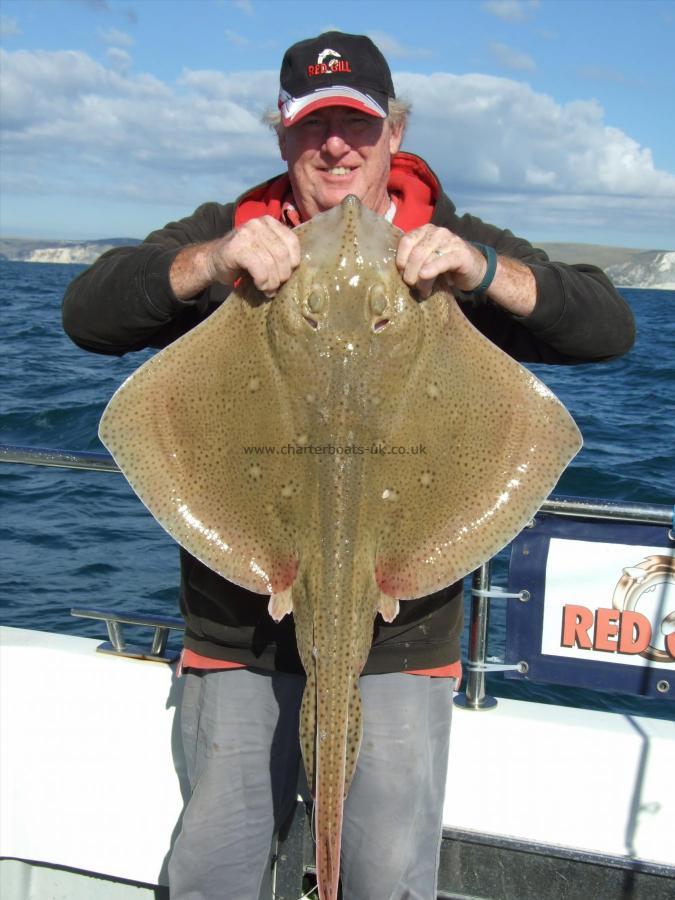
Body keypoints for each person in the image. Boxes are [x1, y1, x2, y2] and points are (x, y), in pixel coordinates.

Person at [62, 31, 635, 900]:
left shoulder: (457, 237)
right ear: (282, 136)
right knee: (213, 869)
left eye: (357, 125)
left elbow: (607, 327)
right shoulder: (230, 228)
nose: (336, 146)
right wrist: (214, 264)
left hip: (404, 640)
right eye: (312, 125)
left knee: (380, 876)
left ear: (393, 134)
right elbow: (87, 312)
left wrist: (482, 272)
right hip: (235, 636)